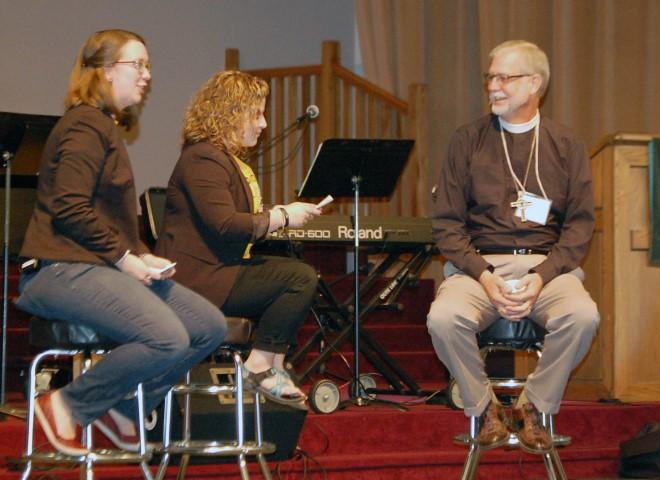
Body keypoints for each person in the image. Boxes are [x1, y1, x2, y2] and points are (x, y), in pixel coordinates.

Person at [15, 29, 227, 456]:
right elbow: (69, 208)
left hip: (93, 266)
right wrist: (126, 259)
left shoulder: (102, 127)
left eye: (148, 65)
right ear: (106, 71)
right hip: (58, 270)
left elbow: (107, 221)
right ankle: (66, 405)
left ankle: (126, 410)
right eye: (138, 65)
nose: (147, 74)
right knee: (167, 336)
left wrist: (143, 256)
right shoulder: (84, 125)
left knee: (208, 326)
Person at [426, 40, 600, 454]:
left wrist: (541, 276)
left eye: (505, 78)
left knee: (583, 316)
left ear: (534, 83)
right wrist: (484, 276)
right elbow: (447, 225)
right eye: (490, 77)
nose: (493, 86)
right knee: (443, 318)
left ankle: (532, 407)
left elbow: (579, 225)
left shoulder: (565, 143)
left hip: (547, 267)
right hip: (478, 268)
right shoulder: (467, 140)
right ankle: (484, 407)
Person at [155, 70, 321, 408]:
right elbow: (226, 225)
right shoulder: (203, 158)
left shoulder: (217, 159)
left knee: (294, 272)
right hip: (197, 280)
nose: (263, 124)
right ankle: (259, 366)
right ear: (230, 113)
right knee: (298, 278)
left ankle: (272, 366)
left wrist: (279, 216)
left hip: (218, 270)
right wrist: (282, 216)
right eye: (256, 114)